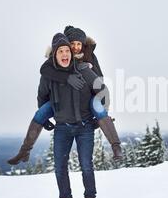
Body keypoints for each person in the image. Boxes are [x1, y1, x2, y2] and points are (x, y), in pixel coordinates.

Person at [6, 26, 123, 166]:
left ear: (83, 44)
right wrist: (67, 77)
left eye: (79, 44)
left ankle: (116, 146)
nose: (76, 47)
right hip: (62, 99)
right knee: (41, 112)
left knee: (98, 106)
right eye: (72, 44)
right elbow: (45, 71)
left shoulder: (88, 56)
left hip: (88, 97)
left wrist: (101, 111)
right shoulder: (60, 56)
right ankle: (24, 151)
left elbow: (100, 81)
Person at [38, 32, 98, 198]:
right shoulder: (49, 76)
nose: (65, 54)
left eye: (67, 51)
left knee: (86, 165)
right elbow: (42, 96)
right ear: (54, 55)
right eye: (60, 51)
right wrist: (44, 118)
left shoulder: (84, 70)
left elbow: (101, 90)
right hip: (62, 127)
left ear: (71, 53)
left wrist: (99, 115)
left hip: (84, 126)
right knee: (60, 166)